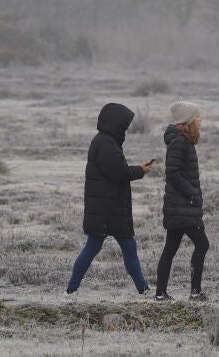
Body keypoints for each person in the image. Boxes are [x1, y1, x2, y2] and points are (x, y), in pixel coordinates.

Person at [65, 103, 154, 295]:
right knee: (100, 248)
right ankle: (71, 290)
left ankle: (143, 289)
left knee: (125, 247)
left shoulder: (107, 141)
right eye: (125, 124)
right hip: (107, 210)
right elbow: (119, 172)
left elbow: (115, 170)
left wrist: (137, 168)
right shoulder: (106, 143)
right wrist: (140, 170)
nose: (128, 128)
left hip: (110, 208)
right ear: (117, 123)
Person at [155, 101, 209, 302]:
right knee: (202, 244)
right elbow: (172, 173)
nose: (200, 119)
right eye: (197, 116)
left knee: (170, 248)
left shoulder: (184, 140)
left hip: (180, 206)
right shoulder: (179, 142)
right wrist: (192, 193)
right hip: (182, 205)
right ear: (188, 120)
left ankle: (161, 294)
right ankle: (195, 292)